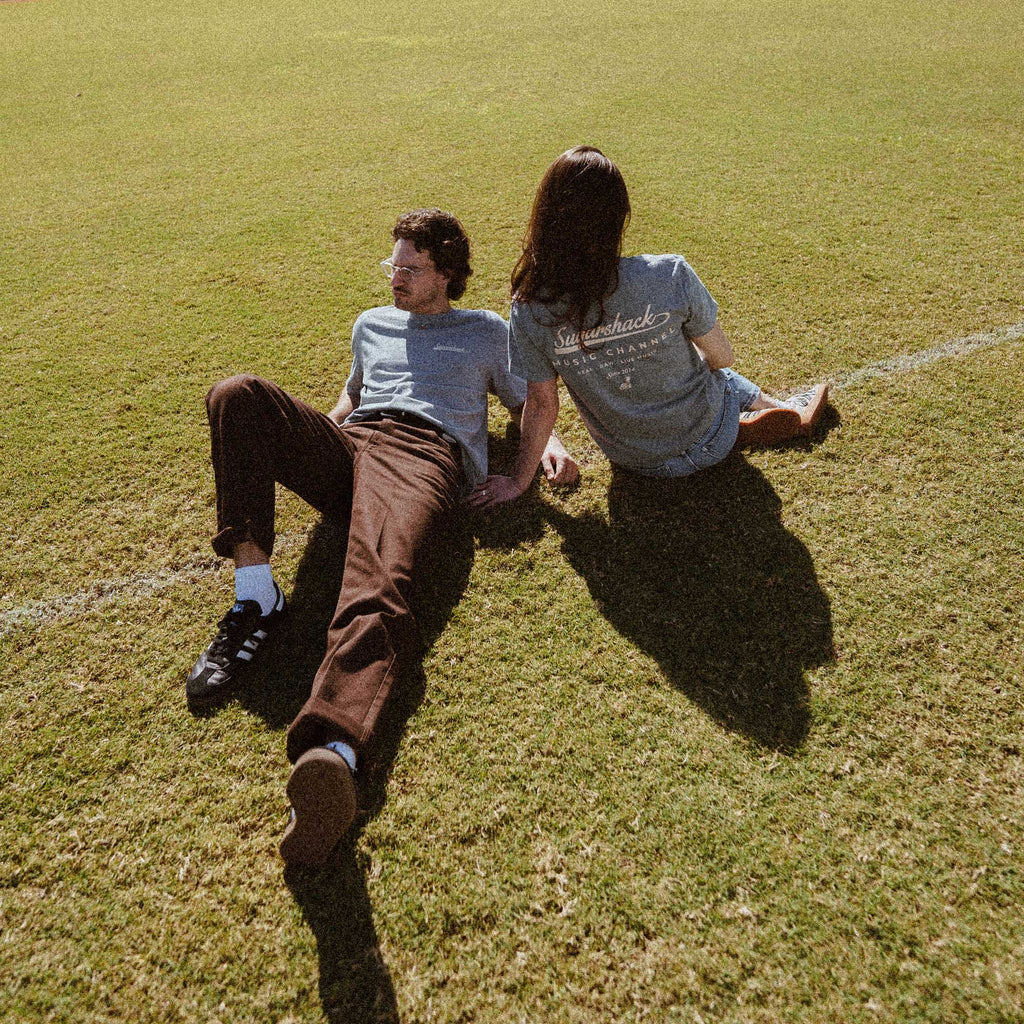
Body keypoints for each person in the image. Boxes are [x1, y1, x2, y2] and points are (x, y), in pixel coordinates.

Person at [186, 208, 578, 867]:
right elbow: (347, 403)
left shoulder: (486, 332)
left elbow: (525, 403)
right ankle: (256, 596)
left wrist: (542, 456)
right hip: (356, 440)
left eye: (410, 268)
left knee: (377, 579)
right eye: (390, 264)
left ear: (447, 274)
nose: (394, 277)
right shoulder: (370, 324)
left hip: (424, 456)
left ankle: (332, 750)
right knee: (237, 395)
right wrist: (300, 439)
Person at [468, 146, 828, 508]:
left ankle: (759, 415)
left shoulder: (529, 308)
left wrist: (518, 480)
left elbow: (542, 404)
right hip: (710, 433)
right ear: (619, 216)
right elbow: (722, 357)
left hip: (636, 461)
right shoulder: (668, 273)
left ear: (544, 217)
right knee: (711, 367)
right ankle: (773, 411)